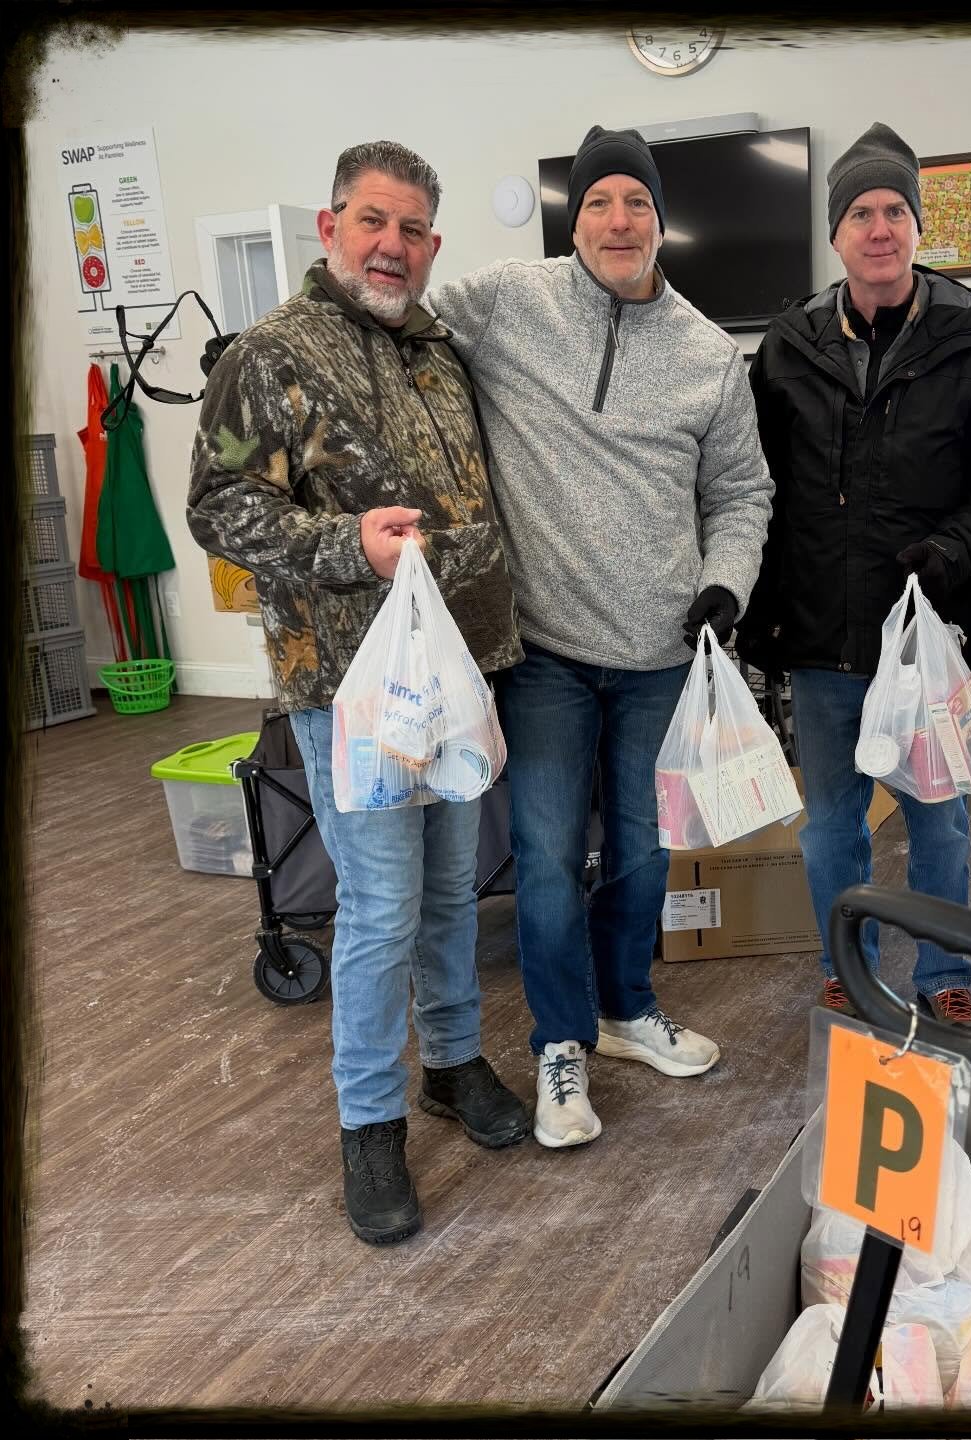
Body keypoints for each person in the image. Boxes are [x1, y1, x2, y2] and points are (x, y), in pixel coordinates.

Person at [188, 141, 531, 1245]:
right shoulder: (269, 355)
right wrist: (345, 545)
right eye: (374, 221)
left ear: (433, 244)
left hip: (457, 673)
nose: (394, 245)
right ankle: (369, 1123)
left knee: (449, 893)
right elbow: (218, 506)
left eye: (415, 229)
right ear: (333, 227)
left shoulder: (439, 354)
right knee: (380, 910)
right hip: (348, 686)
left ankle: (452, 1063)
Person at [426, 124, 773, 1149]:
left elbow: (744, 494)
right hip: (541, 654)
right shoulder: (504, 304)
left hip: (661, 655)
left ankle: (628, 1012)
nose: (618, 221)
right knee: (542, 859)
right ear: (573, 218)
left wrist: (726, 583)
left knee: (641, 857)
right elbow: (394, 324)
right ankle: (560, 1046)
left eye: (637, 203)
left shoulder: (710, 356)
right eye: (599, 203)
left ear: (662, 221)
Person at [737, 121, 971, 1032]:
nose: (879, 227)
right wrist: (759, 613)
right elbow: (755, 486)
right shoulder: (786, 348)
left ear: (917, 227)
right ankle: (847, 963)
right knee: (832, 820)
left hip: (925, 638)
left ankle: (945, 969)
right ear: (836, 235)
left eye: (895, 209)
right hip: (821, 633)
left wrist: (954, 548)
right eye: (860, 211)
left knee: (937, 818)